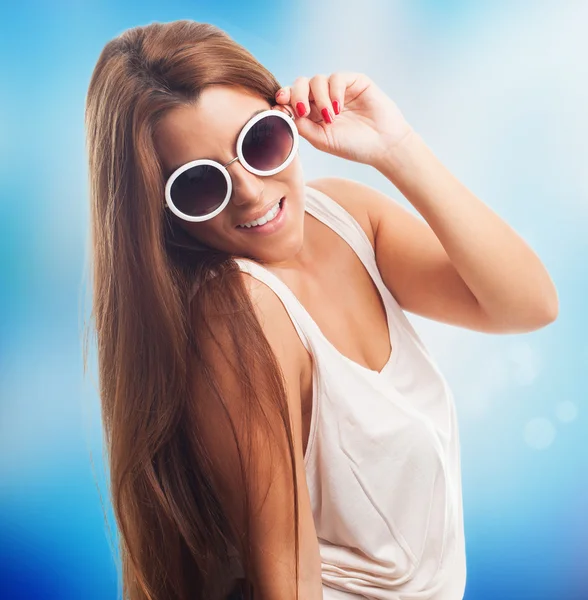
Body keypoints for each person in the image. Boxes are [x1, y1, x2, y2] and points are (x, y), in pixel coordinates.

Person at [84, 18, 559, 600]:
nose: (253, 194)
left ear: (288, 115)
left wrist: (396, 148)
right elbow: (285, 574)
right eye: (201, 185)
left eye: (260, 142)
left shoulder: (349, 216)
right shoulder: (239, 314)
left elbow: (528, 305)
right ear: (159, 211)